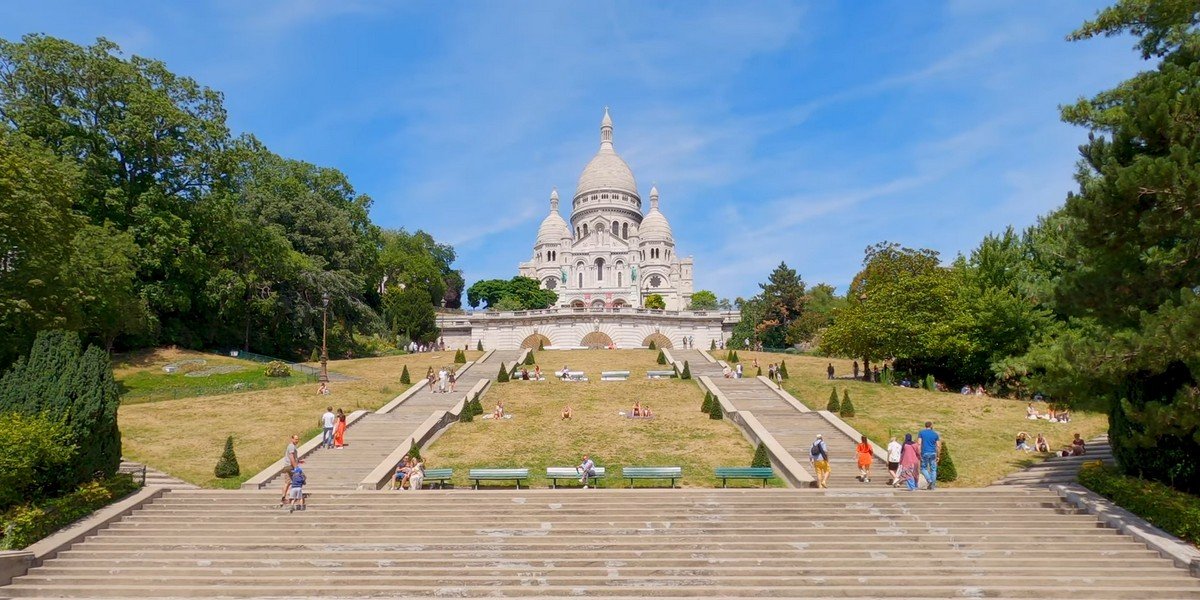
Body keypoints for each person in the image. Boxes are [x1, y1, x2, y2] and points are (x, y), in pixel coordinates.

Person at [918, 421, 942, 490]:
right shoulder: (935, 434)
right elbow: (938, 446)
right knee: (933, 470)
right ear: (931, 426)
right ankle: (932, 486)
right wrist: (938, 456)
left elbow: (919, 444)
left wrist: (919, 453)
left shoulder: (921, 433)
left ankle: (929, 480)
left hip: (924, 452)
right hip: (933, 453)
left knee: (923, 468)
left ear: (925, 426)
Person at [279, 434, 299, 507]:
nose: (297, 441)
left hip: (289, 466)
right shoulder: (291, 446)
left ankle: (285, 498)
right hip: (290, 466)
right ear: (292, 439)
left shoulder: (292, 446)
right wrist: (296, 467)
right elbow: (291, 457)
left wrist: (298, 461)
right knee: (293, 481)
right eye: (295, 439)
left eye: (298, 439)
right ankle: (289, 498)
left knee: (288, 482)